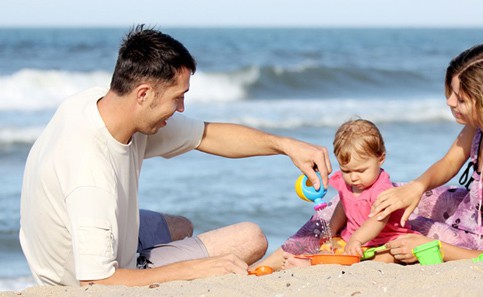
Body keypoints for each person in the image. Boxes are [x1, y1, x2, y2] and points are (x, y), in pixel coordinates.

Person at [18, 25, 332, 287]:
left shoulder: (96, 104)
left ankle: (156, 257)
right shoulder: (90, 174)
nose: (181, 109)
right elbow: (97, 283)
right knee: (250, 239)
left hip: (81, 235)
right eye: (177, 98)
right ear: (143, 94)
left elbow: (207, 135)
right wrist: (197, 271)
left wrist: (287, 146)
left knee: (180, 226)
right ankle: (149, 266)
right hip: (77, 280)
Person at [369, 43, 483, 263]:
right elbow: (449, 163)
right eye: (452, 93)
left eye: (461, 99)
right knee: (387, 195)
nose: (450, 101)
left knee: (398, 237)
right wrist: (417, 187)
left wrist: (432, 247)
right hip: (475, 214)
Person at [253, 118, 417, 270]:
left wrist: (357, 240)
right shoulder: (349, 183)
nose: (353, 177)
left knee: (387, 257)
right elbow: (343, 206)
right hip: (352, 239)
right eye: (346, 170)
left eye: (361, 170)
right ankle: (309, 263)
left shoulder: (382, 189)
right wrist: (332, 229)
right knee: (329, 249)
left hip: (384, 240)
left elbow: (378, 220)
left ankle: (313, 267)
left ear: (380, 159)